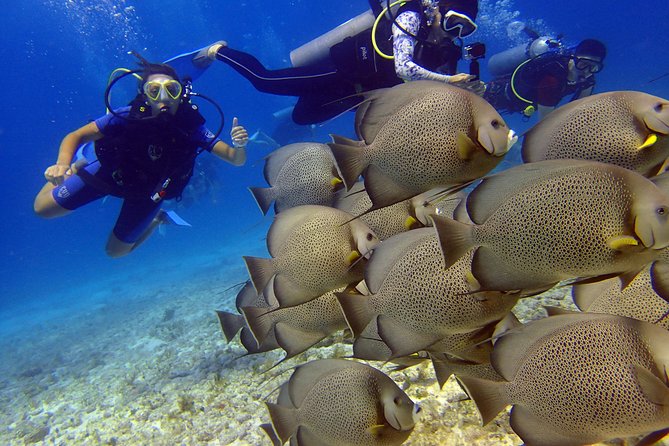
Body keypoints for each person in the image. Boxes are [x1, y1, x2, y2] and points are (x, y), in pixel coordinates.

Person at [33, 58, 249, 258]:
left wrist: (239, 146)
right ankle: (74, 166)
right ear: (144, 95)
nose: (163, 97)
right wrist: (61, 165)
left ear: (180, 94)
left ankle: (157, 219)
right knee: (42, 209)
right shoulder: (126, 116)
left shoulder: (192, 127)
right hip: (108, 175)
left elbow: (236, 159)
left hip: (148, 193)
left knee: (115, 252)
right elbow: (76, 135)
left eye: (171, 90)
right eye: (154, 91)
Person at [207, 0, 483, 125]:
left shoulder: (446, 51)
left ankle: (298, 98)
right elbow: (403, 67)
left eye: (464, 29)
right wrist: (450, 81)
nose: (454, 33)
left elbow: (444, 95)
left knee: (302, 117)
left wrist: (468, 90)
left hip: (356, 94)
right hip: (341, 70)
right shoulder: (412, 17)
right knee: (264, 81)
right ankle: (219, 51)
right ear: (438, 12)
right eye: (452, 22)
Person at [484, 35, 607, 119]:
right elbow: (546, 121)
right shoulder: (552, 79)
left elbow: (576, 111)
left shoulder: (588, 81)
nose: (586, 71)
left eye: (594, 67)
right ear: (573, 58)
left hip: (520, 104)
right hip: (499, 93)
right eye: (583, 64)